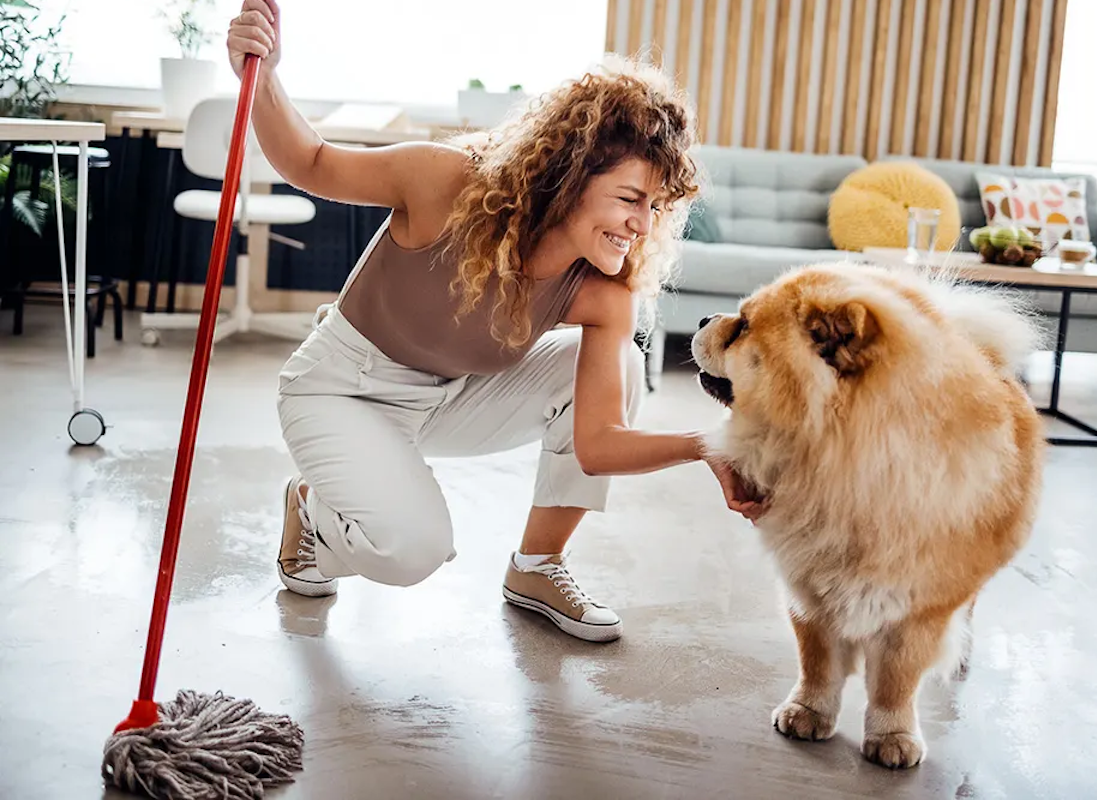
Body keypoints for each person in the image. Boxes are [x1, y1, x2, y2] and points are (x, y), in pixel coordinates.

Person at [226, 0, 765, 643]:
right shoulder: (444, 184)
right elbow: (310, 162)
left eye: (656, 206)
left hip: (450, 401)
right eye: (629, 199)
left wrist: (710, 445)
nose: (644, 225)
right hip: (342, 388)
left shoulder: (602, 293)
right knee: (412, 549)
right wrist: (263, 77)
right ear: (571, 176)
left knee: (616, 360)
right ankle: (313, 511)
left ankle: (538, 567)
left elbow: (597, 445)